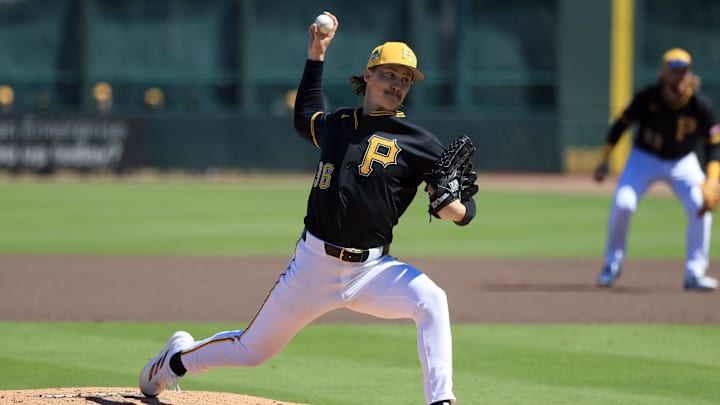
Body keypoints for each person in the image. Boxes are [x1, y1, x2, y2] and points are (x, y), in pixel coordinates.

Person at [139, 12, 476, 405]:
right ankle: (174, 362)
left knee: (431, 299)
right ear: (368, 75)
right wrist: (316, 54)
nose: (397, 84)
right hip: (313, 265)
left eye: (405, 80)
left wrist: (451, 205)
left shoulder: (421, 142)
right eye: (389, 74)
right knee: (252, 350)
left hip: (372, 271)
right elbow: (304, 119)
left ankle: (441, 401)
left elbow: (465, 210)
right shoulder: (339, 125)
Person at [593, 47, 720, 291]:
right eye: (674, 72)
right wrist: (603, 161)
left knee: (700, 206)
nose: (679, 77)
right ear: (663, 74)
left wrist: (713, 179)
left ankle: (694, 273)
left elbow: (714, 145)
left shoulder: (700, 105)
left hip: (683, 161)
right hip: (645, 158)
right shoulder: (648, 98)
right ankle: (611, 265)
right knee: (624, 203)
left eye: (684, 72)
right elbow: (620, 125)